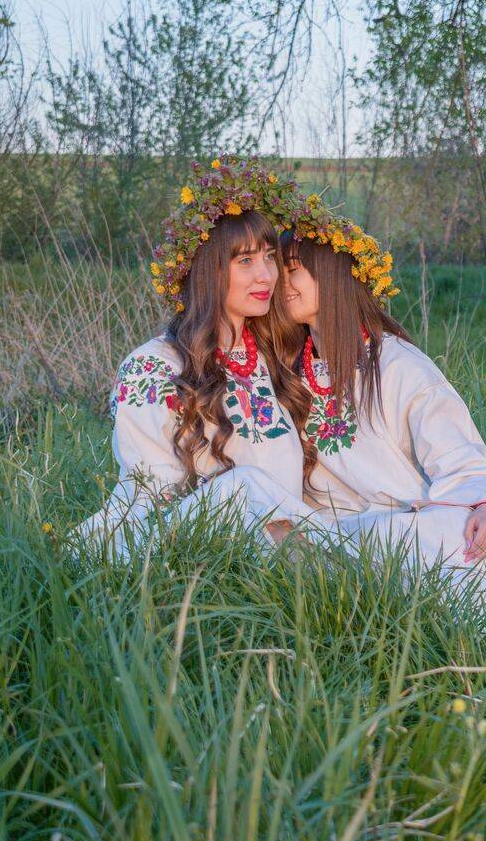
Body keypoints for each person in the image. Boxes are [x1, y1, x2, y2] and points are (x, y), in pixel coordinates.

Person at [274, 193, 486, 623]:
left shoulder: (397, 365)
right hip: (336, 534)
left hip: (404, 526)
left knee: (454, 539)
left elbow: (458, 454)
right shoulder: (288, 372)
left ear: (332, 274)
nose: (280, 281)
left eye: (292, 269)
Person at [78, 157, 323, 558]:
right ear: (208, 271)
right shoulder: (151, 368)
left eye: (269, 257)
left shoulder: (275, 356)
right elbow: (150, 495)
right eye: (245, 261)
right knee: (242, 486)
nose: (266, 275)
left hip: (280, 548)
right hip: (179, 550)